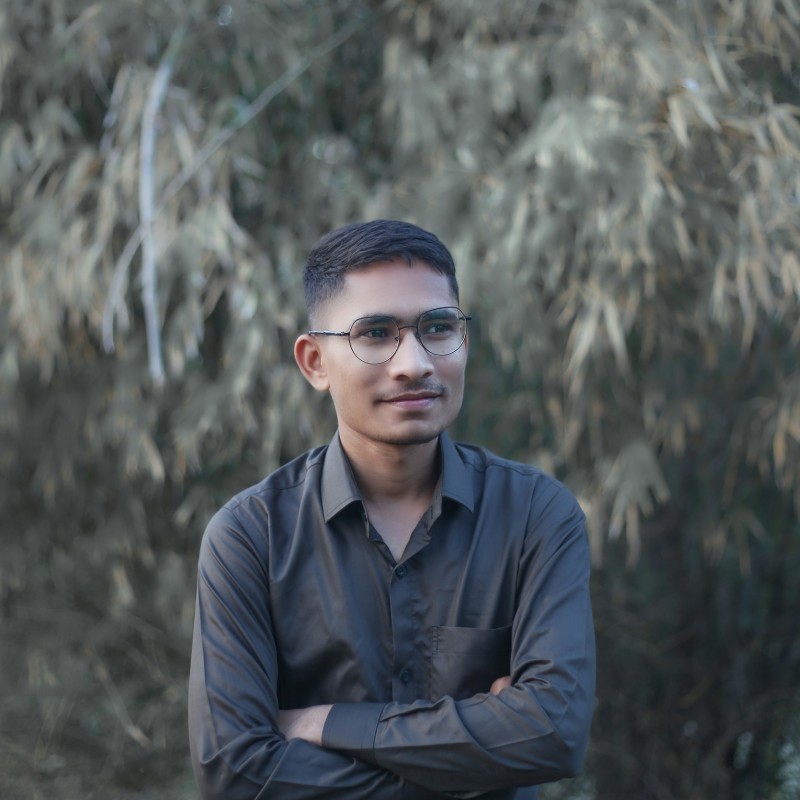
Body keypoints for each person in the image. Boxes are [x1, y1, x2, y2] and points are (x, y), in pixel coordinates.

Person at [188, 220, 595, 799]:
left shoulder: (534, 515)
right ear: (314, 362)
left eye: (438, 328)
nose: (414, 363)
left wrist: (326, 725)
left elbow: (552, 733)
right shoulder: (252, 536)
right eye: (376, 334)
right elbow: (236, 772)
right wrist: (479, 752)